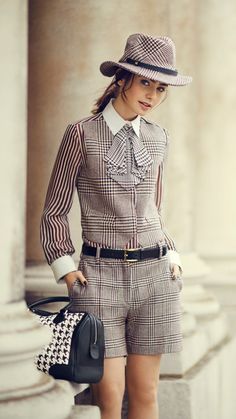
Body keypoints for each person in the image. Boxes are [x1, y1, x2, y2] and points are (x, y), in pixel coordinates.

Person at [40, 33, 192, 419]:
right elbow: (54, 210)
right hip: (99, 278)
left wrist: (172, 254)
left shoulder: (159, 138)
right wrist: (66, 269)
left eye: (160, 88)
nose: (152, 96)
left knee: (146, 395)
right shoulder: (81, 133)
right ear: (122, 78)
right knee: (109, 398)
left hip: (155, 276)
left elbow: (154, 209)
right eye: (145, 83)